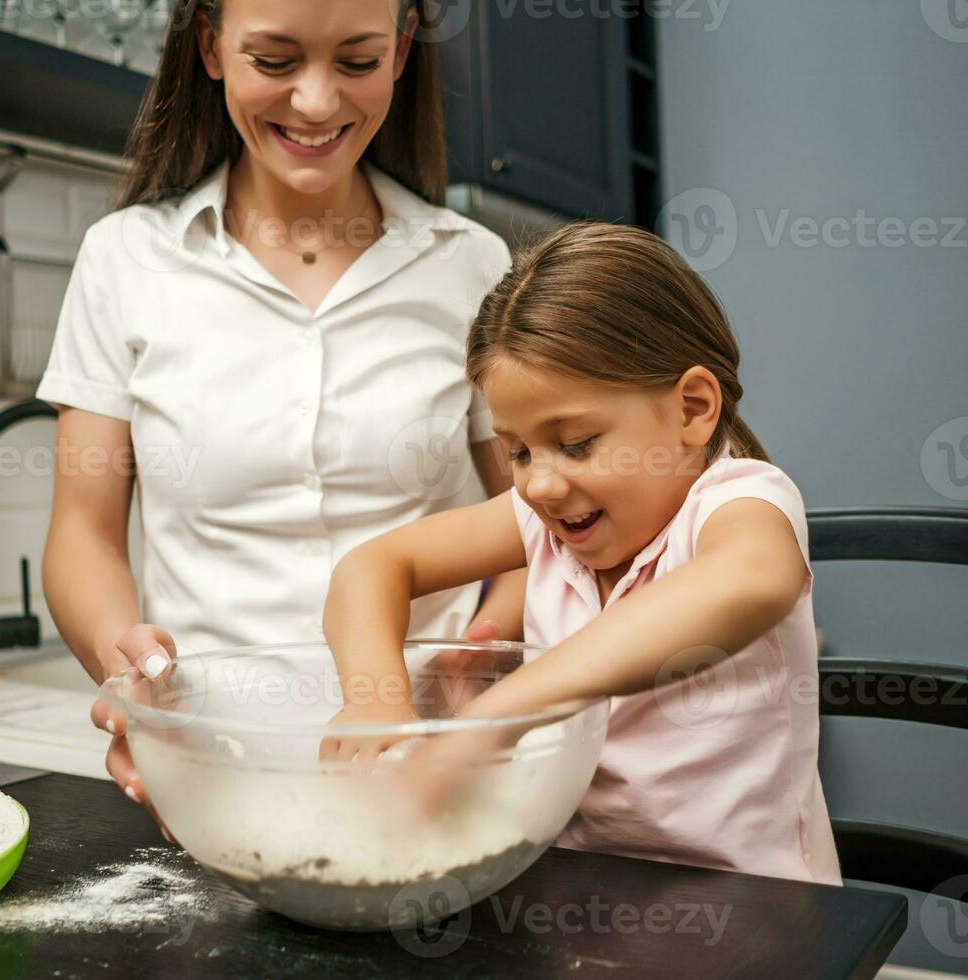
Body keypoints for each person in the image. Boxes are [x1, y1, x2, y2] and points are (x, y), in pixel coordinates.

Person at [38, 0, 525, 833]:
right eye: (274, 60)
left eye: (357, 62)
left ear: (404, 50)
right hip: (211, 775)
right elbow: (83, 534)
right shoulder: (125, 259)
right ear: (211, 47)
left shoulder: (472, 266)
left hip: (428, 774)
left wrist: (477, 652)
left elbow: (538, 518)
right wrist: (131, 668)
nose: (316, 102)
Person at [319, 222, 843, 885]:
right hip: (581, 895)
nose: (540, 482)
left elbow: (751, 580)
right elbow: (374, 566)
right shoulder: (543, 517)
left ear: (692, 409)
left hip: (756, 913)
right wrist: (375, 699)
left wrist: (502, 714)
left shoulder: (740, 501)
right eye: (518, 450)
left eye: (575, 443)